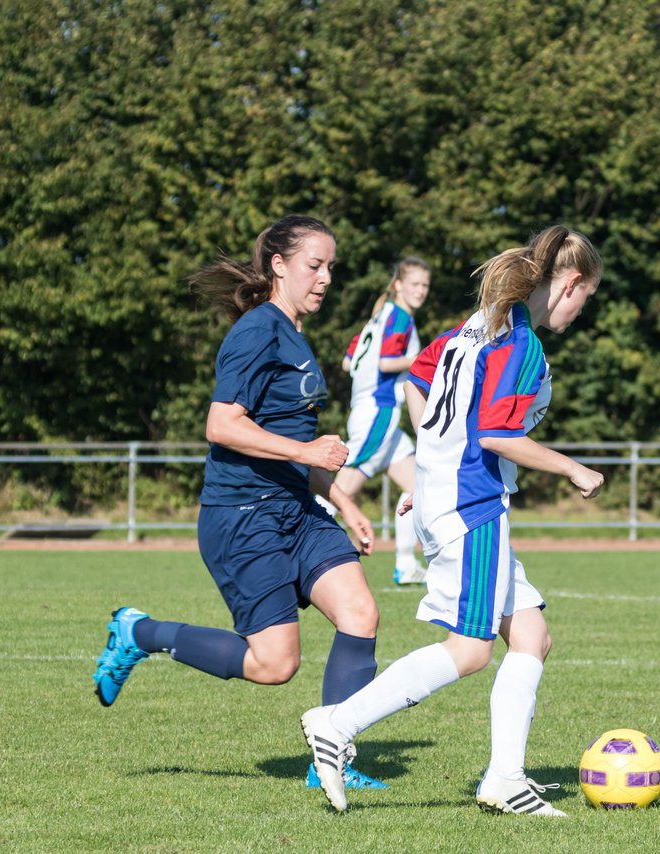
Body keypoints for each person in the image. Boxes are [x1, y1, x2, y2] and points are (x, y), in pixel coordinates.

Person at [300, 224, 605, 816]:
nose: (580, 311)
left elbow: (418, 378)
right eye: (585, 298)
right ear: (570, 283)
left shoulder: (478, 327)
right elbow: (496, 433)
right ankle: (338, 724)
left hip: (449, 495)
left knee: (532, 636)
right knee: (469, 650)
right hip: (473, 506)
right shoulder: (520, 344)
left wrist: (431, 465)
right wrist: (573, 468)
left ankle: (504, 778)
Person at [91, 214, 387, 789]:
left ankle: (332, 762)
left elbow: (296, 446)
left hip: (296, 511)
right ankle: (139, 633)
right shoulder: (257, 330)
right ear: (279, 265)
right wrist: (308, 452)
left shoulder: (295, 334)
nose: (325, 278)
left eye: (331, 267)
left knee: (361, 613)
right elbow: (222, 425)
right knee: (275, 665)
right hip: (243, 516)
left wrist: (344, 504)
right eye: (314, 265)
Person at [334, 257, 432, 584]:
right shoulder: (400, 317)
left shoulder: (379, 316)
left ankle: (405, 565)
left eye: (425, 285)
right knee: (340, 490)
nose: (421, 291)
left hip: (367, 409)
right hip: (379, 411)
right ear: (399, 284)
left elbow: (348, 363)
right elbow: (388, 361)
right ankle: (287, 545)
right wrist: (423, 359)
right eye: (416, 284)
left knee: (420, 485)